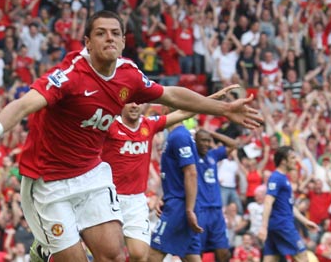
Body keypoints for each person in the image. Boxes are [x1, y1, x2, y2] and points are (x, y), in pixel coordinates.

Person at [0, 10, 262, 262]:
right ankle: (44, 251)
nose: (110, 38)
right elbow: (26, 103)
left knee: (115, 256)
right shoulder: (69, 76)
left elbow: (169, 94)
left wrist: (223, 109)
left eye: (115, 33)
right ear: (87, 42)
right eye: (102, 33)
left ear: (122, 41)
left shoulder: (128, 74)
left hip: (91, 174)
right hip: (48, 181)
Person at [101, 85, 239, 262]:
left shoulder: (149, 125)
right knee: (111, 254)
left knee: (141, 255)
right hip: (111, 199)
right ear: (121, 105)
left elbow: (183, 113)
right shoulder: (110, 126)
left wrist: (211, 99)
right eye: (129, 102)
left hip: (136, 201)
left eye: (138, 102)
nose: (135, 105)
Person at [148, 114, 204, 262]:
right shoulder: (175, 136)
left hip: (179, 207)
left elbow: (191, 173)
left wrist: (188, 209)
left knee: (152, 256)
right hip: (176, 201)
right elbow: (175, 175)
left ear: (166, 108)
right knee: (191, 257)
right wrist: (164, 197)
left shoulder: (179, 136)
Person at [258, 146, 319, 262]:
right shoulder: (277, 178)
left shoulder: (283, 178)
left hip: (276, 226)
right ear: (283, 161)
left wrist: (305, 221)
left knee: (270, 259)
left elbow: (289, 206)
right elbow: (268, 201)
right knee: (303, 257)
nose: (295, 160)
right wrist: (263, 227)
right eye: (292, 158)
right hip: (283, 225)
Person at [194, 128, 239, 262]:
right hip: (200, 210)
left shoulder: (213, 155)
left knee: (224, 253)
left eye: (208, 141)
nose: (206, 143)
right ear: (195, 141)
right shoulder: (191, 157)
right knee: (197, 253)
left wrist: (211, 133)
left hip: (217, 212)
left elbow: (233, 144)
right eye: (202, 140)